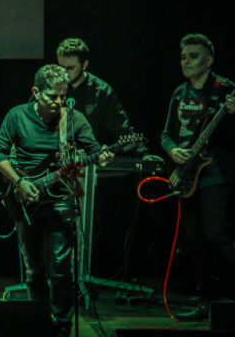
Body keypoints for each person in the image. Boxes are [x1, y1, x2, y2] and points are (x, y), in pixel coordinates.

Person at [0, 64, 112, 337]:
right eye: (51, 97)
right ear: (35, 92)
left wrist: (102, 155)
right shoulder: (16, 116)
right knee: (34, 270)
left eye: (62, 96)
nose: (58, 102)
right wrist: (20, 182)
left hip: (61, 198)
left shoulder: (74, 118)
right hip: (25, 197)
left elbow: (94, 150)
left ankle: (62, 325)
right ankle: (38, 320)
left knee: (61, 270)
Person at [160, 33, 235, 319]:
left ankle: (228, 295)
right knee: (194, 239)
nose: (186, 61)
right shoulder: (180, 93)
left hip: (216, 172)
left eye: (193, 56)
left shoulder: (225, 89)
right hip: (186, 173)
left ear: (209, 60)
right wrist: (172, 150)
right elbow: (166, 134)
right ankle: (205, 299)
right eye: (183, 57)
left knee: (216, 233)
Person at [56, 37, 146, 153]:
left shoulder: (101, 91)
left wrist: (143, 153)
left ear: (84, 65)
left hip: (89, 161)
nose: (64, 73)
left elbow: (121, 128)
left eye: (70, 68)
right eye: (61, 67)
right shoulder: (53, 86)